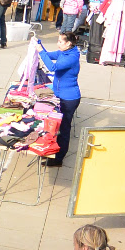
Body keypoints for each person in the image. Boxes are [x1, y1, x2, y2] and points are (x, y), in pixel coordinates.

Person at [38, 31, 82, 167]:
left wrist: (40, 51)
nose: (58, 44)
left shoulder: (71, 57)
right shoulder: (64, 52)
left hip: (69, 99)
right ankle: (54, 151)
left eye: (60, 42)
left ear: (68, 43)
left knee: (63, 129)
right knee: (58, 125)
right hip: (60, 95)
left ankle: (59, 158)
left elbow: (52, 67)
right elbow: (48, 55)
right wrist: (39, 45)